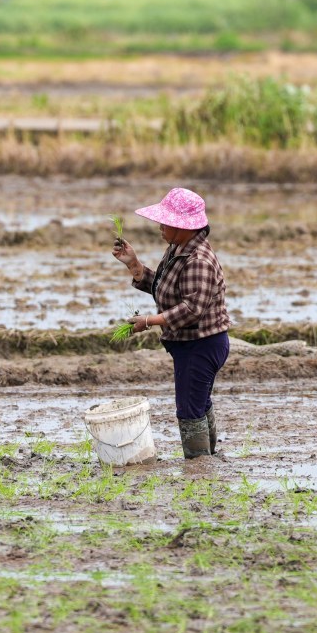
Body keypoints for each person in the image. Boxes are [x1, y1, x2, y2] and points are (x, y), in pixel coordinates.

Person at [111, 186, 230, 462]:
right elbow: (165, 288)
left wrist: (149, 321)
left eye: (165, 222)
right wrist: (133, 264)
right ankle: (208, 459)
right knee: (198, 402)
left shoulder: (198, 260)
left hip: (201, 345)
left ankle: (199, 465)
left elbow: (192, 309)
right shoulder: (178, 249)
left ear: (183, 226)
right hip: (193, 344)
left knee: (189, 410)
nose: (160, 227)